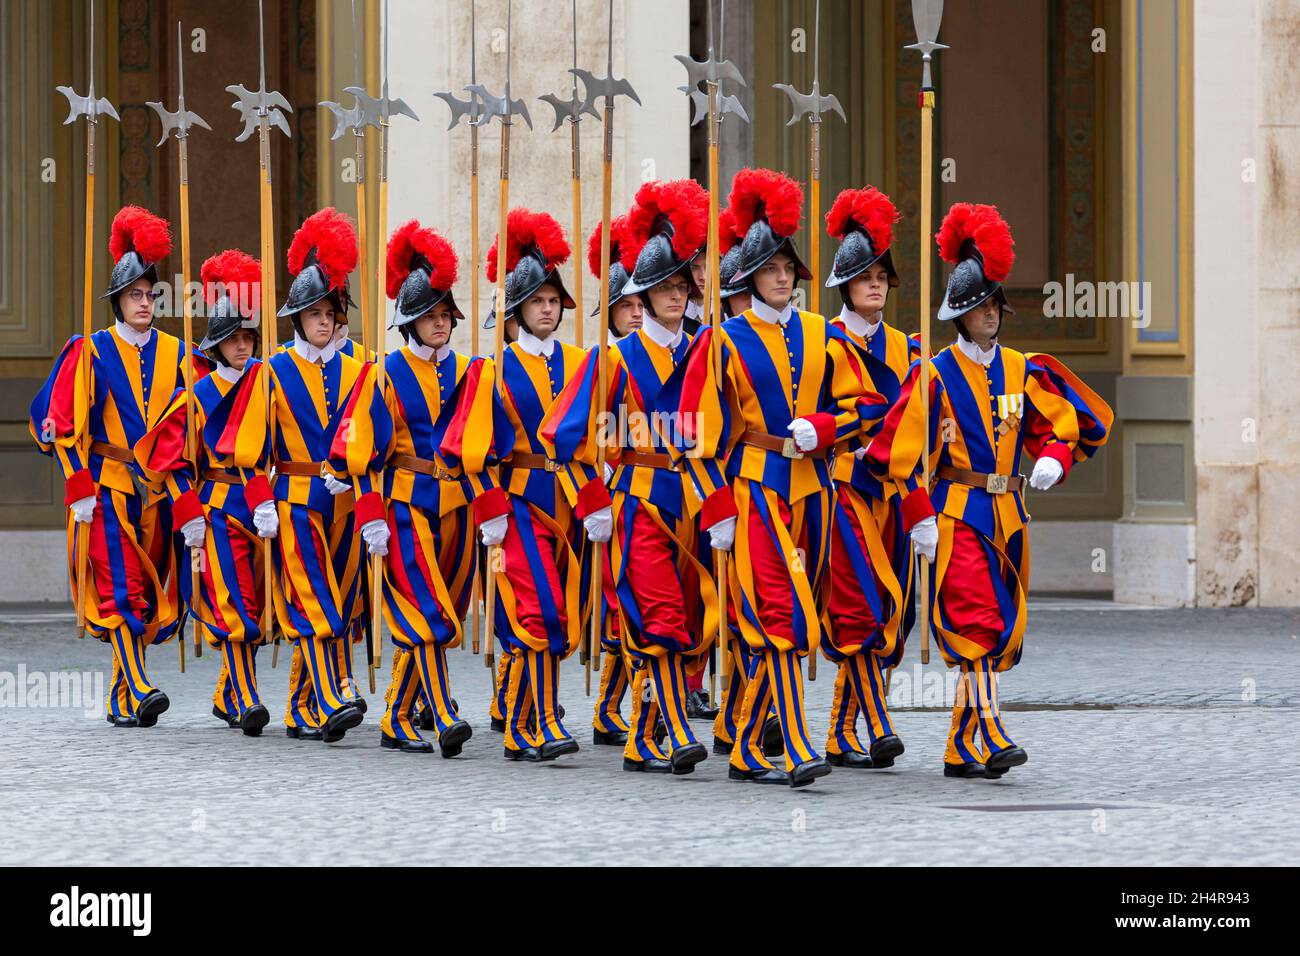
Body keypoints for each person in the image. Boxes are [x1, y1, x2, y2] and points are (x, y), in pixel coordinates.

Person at [866, 202, 1113, 778]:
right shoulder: (933, 374)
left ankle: (959, 746)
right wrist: (918, 516)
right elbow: (896, 456)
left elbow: (1065, 424)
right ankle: (993, 728)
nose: (991, 314)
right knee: (974, 623)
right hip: (956, 511)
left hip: (1009, 511)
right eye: (979, 306)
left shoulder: (1021, 369)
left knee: (998, 624)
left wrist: (1054, 456)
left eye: (995, 303)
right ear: (961, 314)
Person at [670, 169, 886, 788]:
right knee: (783, 612)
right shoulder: (722, 340)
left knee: (789, 615)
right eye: (771, 268)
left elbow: (871, 403)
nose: (784, 275)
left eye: (789, 266)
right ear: (751, 278)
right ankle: (794, 745)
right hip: (756, 490)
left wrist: (826, 425)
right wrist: (718, 509)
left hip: (815, 488)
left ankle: (743, 747)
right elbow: (696, 433)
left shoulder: (824, 333)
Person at [542, 179, 720, 775]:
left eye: (681, 285)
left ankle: (643, 736)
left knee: (691, 618)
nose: (674, 296)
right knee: (660, 615)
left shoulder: (705, 352)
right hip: (637, 499)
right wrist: (591, 501)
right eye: (662, 287)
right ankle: (671, 730)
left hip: (693, 499)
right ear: (641, 294)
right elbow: (562, 436)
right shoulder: (612, 357)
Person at [30, 206, 205, 728]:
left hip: (157, 492)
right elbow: (60, 424)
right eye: (135, 295)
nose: (145, 303)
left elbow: (195, 430)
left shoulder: (180, 352)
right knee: (122, 588)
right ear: (117, 301)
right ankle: (142, 684)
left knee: (146, 592)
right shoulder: (90, 350)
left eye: (151, 294)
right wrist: (79, 486)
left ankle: (120, 693)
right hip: (105, 487)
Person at [442, 208, 604, 762]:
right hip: (516, 502)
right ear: (516, 310)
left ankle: (530, 714)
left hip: (569, 502)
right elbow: (468, 447)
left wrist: (596, 497)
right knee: (537, 609)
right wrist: (489, 508)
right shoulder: (492, 368)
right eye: (537, 301)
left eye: (554, 301)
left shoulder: (585, 361)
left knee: (562, 610)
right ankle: (526, 728)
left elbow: (593, 441)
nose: (548, 310)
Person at [333, 219, 483, 757]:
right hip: (405, 504)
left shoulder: (472, 370)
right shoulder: (384, 373)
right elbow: (361, 454)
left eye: (446, 315)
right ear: (410, 323)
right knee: (426, 610)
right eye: (431, 316)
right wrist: (371, 514)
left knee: (448, 608)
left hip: (459, 504)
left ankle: (397, 715)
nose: (441, 324)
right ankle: (442, 713)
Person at [257, 207, 390, 742]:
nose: (324, 320)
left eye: (331, 310)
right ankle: (333, 688)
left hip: (346, 498)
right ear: (297, 317)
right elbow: (252, 443)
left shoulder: (364, 364)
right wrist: (260, 498)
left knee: (346, 595)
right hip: (293, 494)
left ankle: (302, 704)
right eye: (313, 312)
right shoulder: (272, 370)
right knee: (313, 595)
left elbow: (379, 435)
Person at [157, 249, 276, 736]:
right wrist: (189, 515)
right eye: (234, 338)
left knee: (262, 602)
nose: (243, 346)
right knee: (234, 601)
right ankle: (247, 697)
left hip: (262, 505)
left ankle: (228, 691)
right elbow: (172, 461)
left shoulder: (268, 386)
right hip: (217, 507)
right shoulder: (198, 394)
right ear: (217, 343)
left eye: (249, 337)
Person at [819, 186, 917, 769]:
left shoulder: (909, 349)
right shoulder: (821, 344)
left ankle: (840, 728)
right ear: (845, 285)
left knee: (893, 606)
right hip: (845, 485)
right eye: (865, 276)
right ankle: (875, 721)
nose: (876, 283)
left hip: (897, 492)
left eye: (882, 275)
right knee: (857, 604)